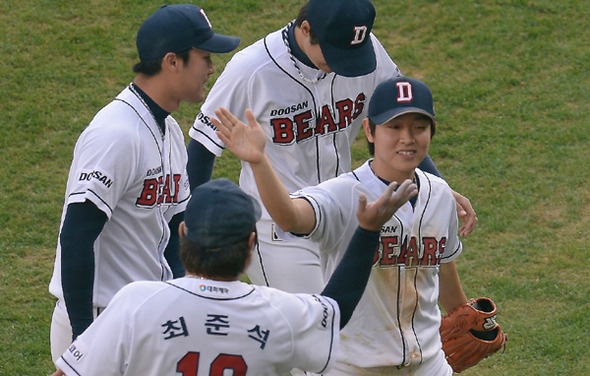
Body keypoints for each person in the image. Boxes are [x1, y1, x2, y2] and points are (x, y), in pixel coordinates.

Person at [186, 0, 477, 294]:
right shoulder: (252, 70)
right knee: (321, 325)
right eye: (335, 51)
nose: (346, 62)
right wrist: (194, 234)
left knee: (350, 326)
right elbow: (202, 147)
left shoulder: (366, 51)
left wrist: (435, 187)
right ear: (306, 29)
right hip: (278, 230)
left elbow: (404, 123)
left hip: (341, 215)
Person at [214, 76, 470, 375]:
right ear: (369, 131)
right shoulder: (344, 195)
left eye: (419, 127)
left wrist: (464, 313)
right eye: (395, 127)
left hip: (429, 365)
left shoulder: (439, 194)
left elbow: (440, 264)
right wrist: (259, 162)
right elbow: (290, 217)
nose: (407, 138)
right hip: (353, 367)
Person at [51, 177, 418, 376]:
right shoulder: (278, 313)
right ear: (250, 245)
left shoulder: (136, 302)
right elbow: (335, 308)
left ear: (182, 237)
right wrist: (368, 229)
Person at [48, 3, 241, 365]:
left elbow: (173, 233)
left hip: (146, 318)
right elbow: (76, 237)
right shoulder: (116, 134)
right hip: (98, 320)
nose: (212, 68)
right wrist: (83, 339)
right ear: (172, 61)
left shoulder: (167, 129)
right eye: (204, 57)